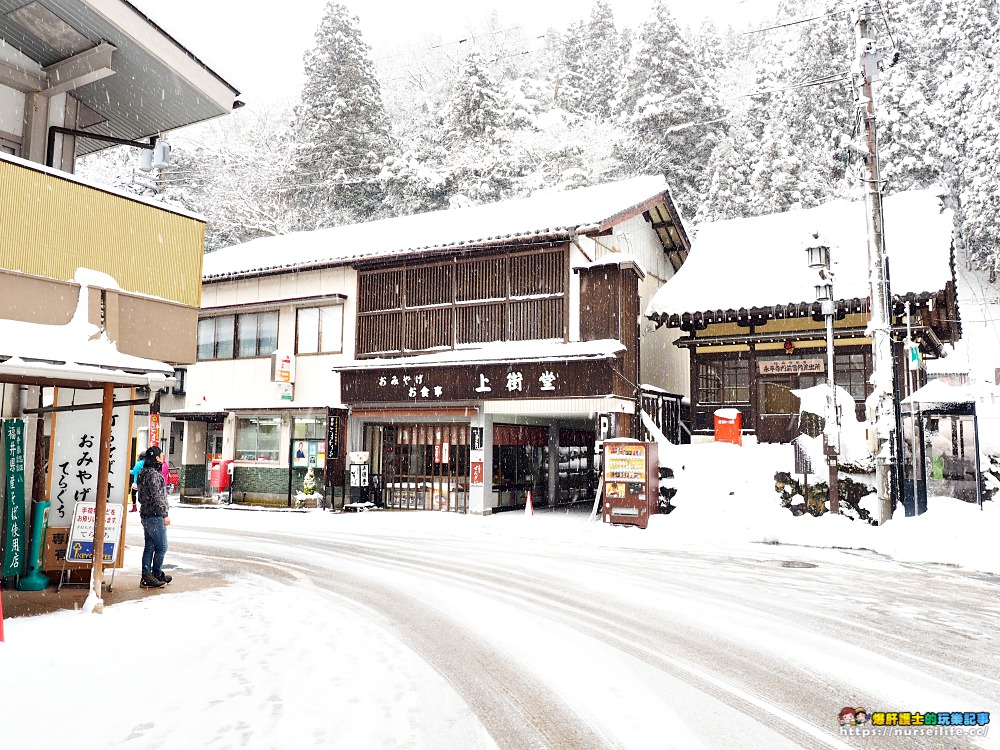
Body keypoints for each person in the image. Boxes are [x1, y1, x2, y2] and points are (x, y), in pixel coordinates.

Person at [136, 446, 172, 588]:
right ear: (156, 457)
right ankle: (155, 574)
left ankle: (148, 575)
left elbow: (144, 496)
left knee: (150, 546)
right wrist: (164, 514)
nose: (163, 458)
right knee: (161, 546)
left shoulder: (143, 472)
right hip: (155, 515)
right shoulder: (153, 474)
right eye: (161, 455)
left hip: (146, 514)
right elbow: (157, 497)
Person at [129, 448, 170, 512]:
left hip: (137, 482)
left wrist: (127, 471)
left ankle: (134, 506)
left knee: (134, 494)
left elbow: (134, 471)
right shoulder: (157, 469)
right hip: (154, 511)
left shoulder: (140, 464)